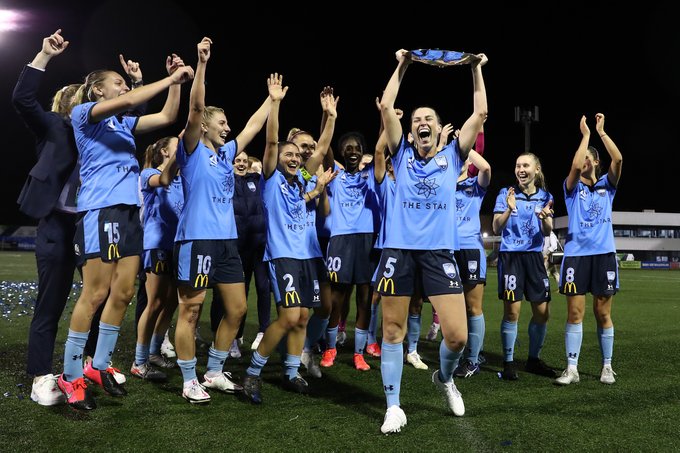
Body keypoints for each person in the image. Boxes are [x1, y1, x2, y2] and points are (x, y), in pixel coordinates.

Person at [57, 45, 193, 410]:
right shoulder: (84, 114)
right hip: (100, 210)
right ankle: (70, 375)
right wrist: (168, 79)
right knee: (95, 294)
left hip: (129, 213)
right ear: (98, 90)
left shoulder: (122, 123)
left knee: (123, 293)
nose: (123, 87)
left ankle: (99, 365)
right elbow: (132, 99)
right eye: (116, 83)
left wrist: (176, 83)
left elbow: (167, 116)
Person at [376, 49, 487, 434]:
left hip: (439, 254)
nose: (422, 122)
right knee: (393, 331)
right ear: (410, 132)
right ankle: (394, 407)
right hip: (399, 251)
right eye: (417, 120)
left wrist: (475, 69)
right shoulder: (401, 154)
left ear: (440, 130)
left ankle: (445, 378)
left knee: (456, 336)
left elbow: (480, 114)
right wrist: (404, 64)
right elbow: (386, 106)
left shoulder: (453, 158)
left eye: (429, 119)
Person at [172, 38, 270, 404]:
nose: (228, 128)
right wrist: (202, 64)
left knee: (238, 309)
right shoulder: (192, 150)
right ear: (205, 126)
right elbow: (196, 107)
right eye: (222, 123)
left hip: (227, 242)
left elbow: (253, 126)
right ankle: (188, 379)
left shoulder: (227, 154)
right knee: (191, 311)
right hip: (197, 239)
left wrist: (272, 99)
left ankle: (213, 371)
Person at [241, 73, 336, 404]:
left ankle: (291, 371)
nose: (295, 158)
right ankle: (252, 373)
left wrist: (330, 117)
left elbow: (320, 149)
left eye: (298, 155)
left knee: (304, 316)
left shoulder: (302, 180)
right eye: (289, 154)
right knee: (289, 317)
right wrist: (275, 103)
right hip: (283, 255)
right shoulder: (271, 179)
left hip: (308, 255)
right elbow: (271, 142)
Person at [12, 29, 85, 406]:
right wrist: (43, 56)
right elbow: (22, 99)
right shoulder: (53, 125)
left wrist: (135, 85)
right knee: (50, 303)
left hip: (88, 225)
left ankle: (89, 367)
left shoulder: (97, 134)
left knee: (101, 297)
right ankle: (41, 376)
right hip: (57, 224)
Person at [555, 114, 623, 386]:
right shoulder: (571, 189)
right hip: (576, 256)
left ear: (595, 162)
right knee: (575, 313)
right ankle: (572, 369)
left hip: (604, 255)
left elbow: (618, 160)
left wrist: (601, 133)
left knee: (603, 313)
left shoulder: (608, 185)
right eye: (580, 156)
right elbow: (574, 165)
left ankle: (607, 366)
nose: (582, 159)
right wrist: (585, 136)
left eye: (587, 157)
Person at [492, 152, 557, 381]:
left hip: (534, 259)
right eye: (518, 165)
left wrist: (545, 218)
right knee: (512, 312)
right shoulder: (506, 194)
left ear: (536, 170)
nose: (521, 169)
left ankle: (533, 359)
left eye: (526, 165)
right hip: (511, 257)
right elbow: (496, 227)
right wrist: (509, 209)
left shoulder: (546, 196)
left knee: (542, 313)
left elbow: (547, 231)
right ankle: (509, 363)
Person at [132, 136, 184, 381]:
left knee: (171, 302)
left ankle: (153, 352)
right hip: (157, 244)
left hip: (178, 245)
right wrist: (184, 138)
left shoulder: (182, 178)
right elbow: (163, 180)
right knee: (154, 303)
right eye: (177, 146)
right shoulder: (149, 174)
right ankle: (139, 361)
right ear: (164, 151)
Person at [210, 149, 270, 357]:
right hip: (235, 246)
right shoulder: (224, 181)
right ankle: (233, 337)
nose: (242, 163)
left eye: (245, 160)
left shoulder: (256, 181)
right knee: (236, 293)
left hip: (258, 245)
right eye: (237, 160)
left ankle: (263, 331)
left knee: (263, 287)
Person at [452, 127, 491, 379]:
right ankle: (459, 353)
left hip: (470, 249)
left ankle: (473, 360)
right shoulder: (444, 182)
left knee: (472, 306)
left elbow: (485, 167)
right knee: (454, 306)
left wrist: (463, 143)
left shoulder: (475, 185)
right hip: (446, 249)